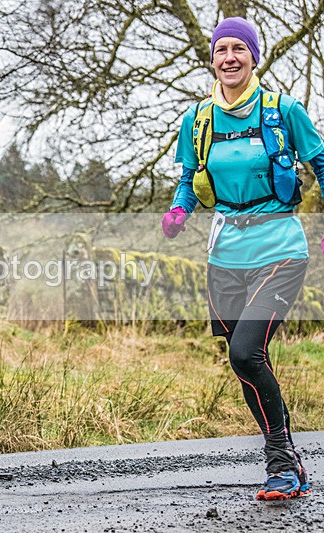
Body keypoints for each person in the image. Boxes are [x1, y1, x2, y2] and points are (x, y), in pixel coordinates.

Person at [162, 17, 324, 500]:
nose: (228, 57)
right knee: (246, 362)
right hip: (225, 254)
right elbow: (189, 179)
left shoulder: (283, 110)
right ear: (212, 58)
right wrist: (178, 209)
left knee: (244, 351)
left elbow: (320, 162)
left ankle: (279, 461)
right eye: (220, 50)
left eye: (239, 49)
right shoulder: (198, 119)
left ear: (255, 56)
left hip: (280, 249)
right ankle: (289, 458)